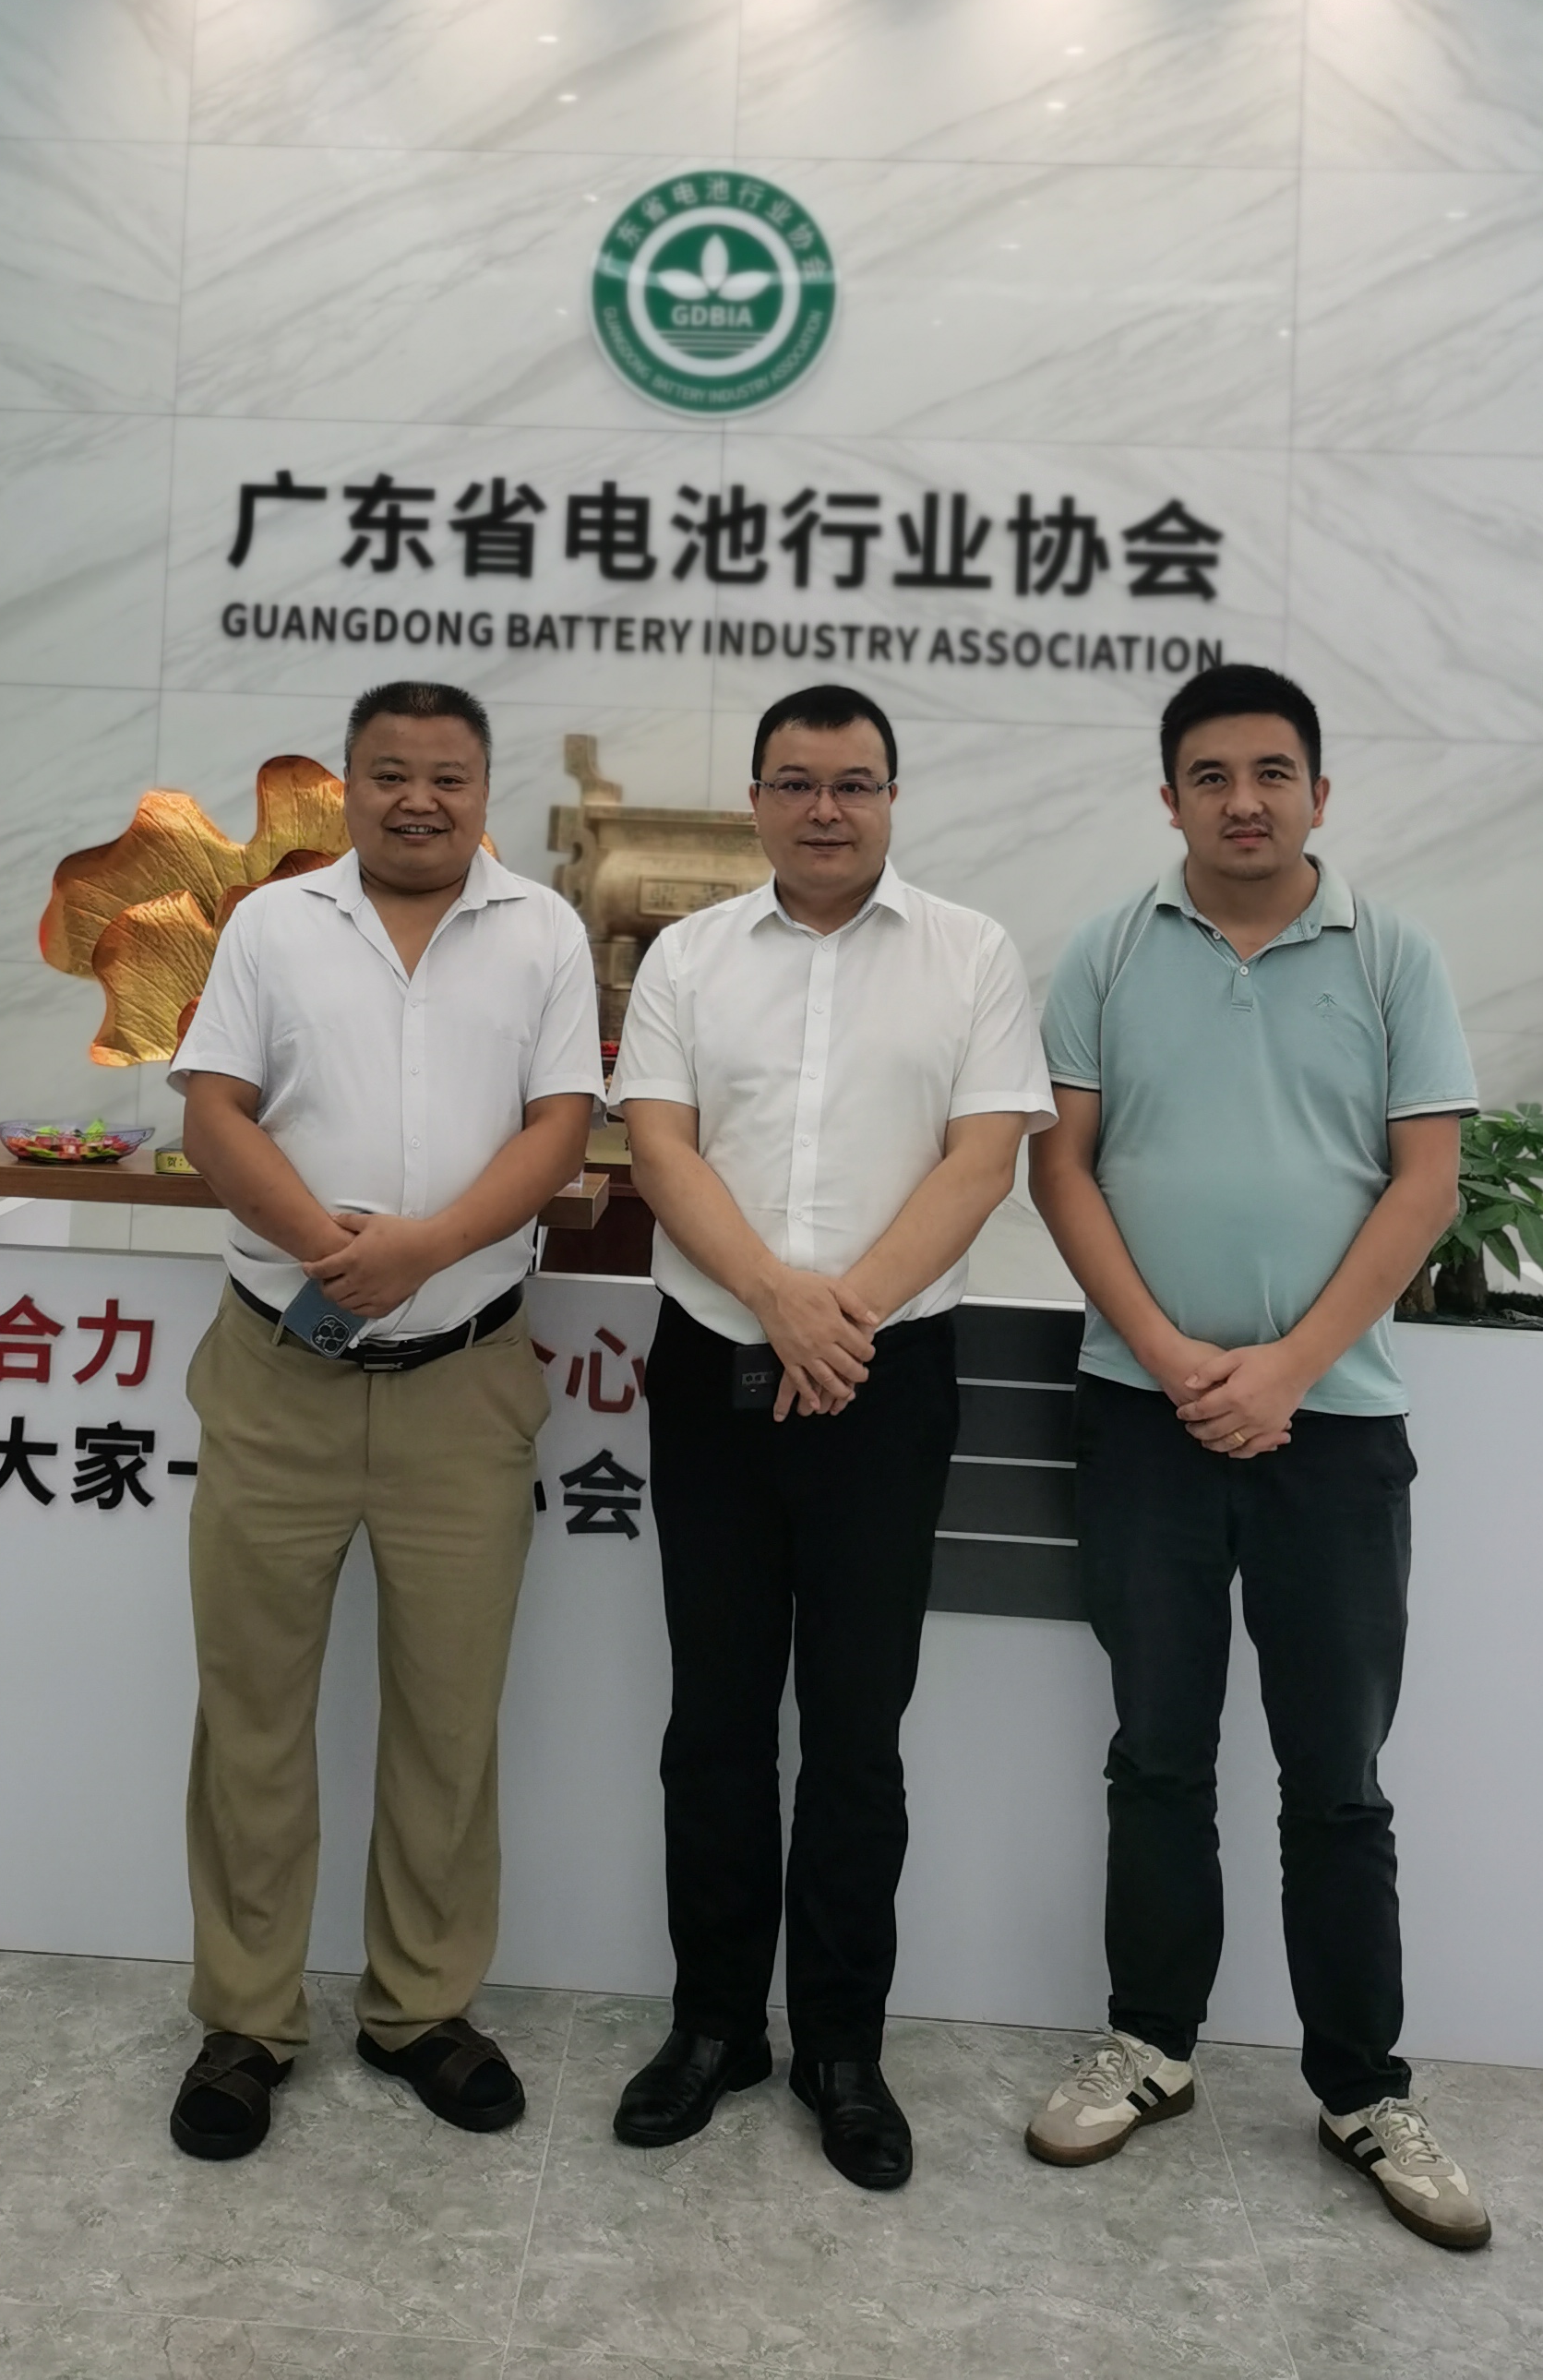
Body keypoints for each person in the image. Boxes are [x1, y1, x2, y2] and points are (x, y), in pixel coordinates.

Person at [1025, 662, 1491, 2253]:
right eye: (1211, 775)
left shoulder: (1394, 955)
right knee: (1156, 1749)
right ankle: (1150, 2047)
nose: (1244, 800)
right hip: (1140, 1415)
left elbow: (1425, 1184)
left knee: (1336, 1776)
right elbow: (1063, 1170)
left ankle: (1366, 2089)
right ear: (1168, 798)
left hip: (1333, 1427)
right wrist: (1171, 1357)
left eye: (1272, 772)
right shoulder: (1105, 951)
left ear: (1319, 793)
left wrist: (1287, 1369)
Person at [610, 685, 1050, 2192]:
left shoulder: (971, 954)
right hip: (712, 1371)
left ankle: (843, 2052)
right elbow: (658, 1146)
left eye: (853, 783)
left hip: (887, 1378)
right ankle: (715, 2027)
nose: (825, 809)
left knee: (858, 1735)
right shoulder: (686, 957)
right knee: (715, 1723)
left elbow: (982, 1162)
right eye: (795, 782)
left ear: (892, 800)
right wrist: (773, 1299)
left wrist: (836, 1317)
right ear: (755, 801)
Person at [167, 681, 598, 2161]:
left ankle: (420, 2010)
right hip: (278, 1373)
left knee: (447, 1717)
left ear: (485, 789)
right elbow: (213, 1112)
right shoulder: (271, 926)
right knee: (251, 1712)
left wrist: (422, 1251)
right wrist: (330, 1252)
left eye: (449, 777)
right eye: (391, 774)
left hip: (463, 1384)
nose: (420, 800)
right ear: (345, 787)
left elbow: (561, 1130)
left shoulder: (542, 933)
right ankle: (246, 2020)